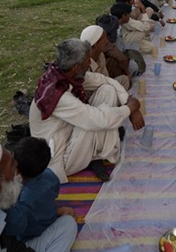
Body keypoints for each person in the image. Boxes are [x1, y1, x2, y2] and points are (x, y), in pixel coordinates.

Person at [29, 39, 145, 183]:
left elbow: (106, 81)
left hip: (70, 131)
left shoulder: (65, 73)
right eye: (87, 60)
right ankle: (94, 154)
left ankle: (96, 154)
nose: (90, 63)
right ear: (77, 67)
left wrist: (128, 102)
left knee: (107, 90)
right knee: (97, 119)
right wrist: (130, 108)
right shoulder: (58, 94)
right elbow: (96, 119)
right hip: (60, 156)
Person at [4, 137, 76, 243]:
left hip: (31, 235)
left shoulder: (24, 196)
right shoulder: (50, 175)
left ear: (17, 169)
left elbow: (17, 224)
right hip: (48, 216)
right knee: (69, 223)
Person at [81, 25, 130, 90]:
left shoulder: (100, 55)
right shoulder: (84, 64)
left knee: (124, 79)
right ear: (96, 45)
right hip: (94, 94)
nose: (107, 42)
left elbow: (106, 77)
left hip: (105, 86)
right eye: (104, 40)